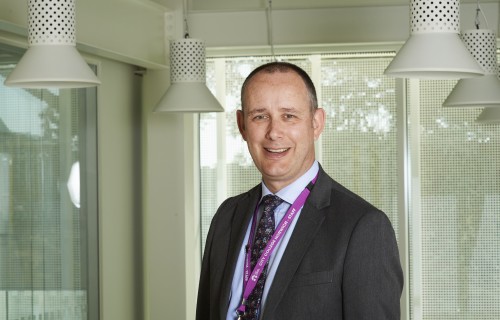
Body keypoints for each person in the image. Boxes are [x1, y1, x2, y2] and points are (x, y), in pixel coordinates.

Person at [196, 61, 403, 320]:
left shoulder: (363, 227)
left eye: (289, 116)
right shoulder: (226, 216)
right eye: (260, 116)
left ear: (316, 123)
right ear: (242, 125)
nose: (274, 132)